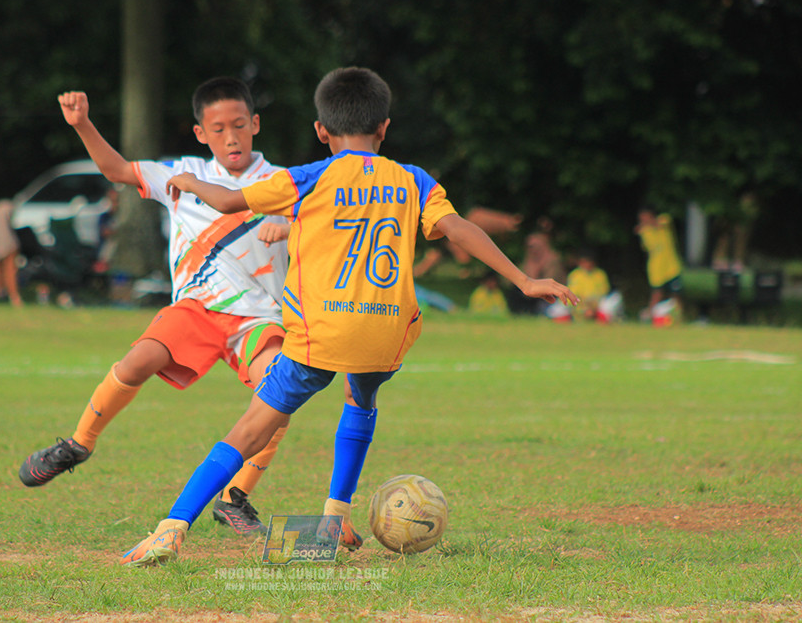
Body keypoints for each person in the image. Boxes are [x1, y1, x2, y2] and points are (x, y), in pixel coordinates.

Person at [121, 66, 577, 566]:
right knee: (360, 397)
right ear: (384, 127)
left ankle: (172, 528)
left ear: (321, 131)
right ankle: (335, 517)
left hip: (321, 335)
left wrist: (189, 181)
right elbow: (458, 228)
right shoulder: (413, 180)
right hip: (385, 334)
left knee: (251, 428)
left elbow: (230, 200)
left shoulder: (308, 177)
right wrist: (525, 281)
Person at [18, 78, 313, 536]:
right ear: (201, 133)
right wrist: (82, 124)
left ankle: (236, 497)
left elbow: (321, 228)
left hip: (258, 317)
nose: (230, 137)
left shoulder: (283, 183)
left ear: (255, 124)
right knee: (137, 360)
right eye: (218, 129)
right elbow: (116, 169)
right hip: (195, 308)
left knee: (279, 394)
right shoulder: (183, 170)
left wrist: (290, 228)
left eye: (239, 125)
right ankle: (79, 443)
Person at [635, 207, 683, 319]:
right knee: (656, 294)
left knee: (676, 294)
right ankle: (651, 316)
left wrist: (646, 225)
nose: (643, 220)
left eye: (645, 217)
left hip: (672, 267)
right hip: (656, 269)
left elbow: (660, 224)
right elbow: (648, 247)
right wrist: (644, 228)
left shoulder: (664, 219)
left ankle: (678, 317)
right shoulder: (645, 232)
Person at [507, 230, 567, 315]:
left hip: (551, 297)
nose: (532, 249)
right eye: (529, 247)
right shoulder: (529, 259)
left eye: (534, 246)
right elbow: (516, 280)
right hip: (531, 296)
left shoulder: (552, 260)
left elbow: (550, 281)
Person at [564, 249, 622, 322]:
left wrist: (594, 306)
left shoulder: (600, 274)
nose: (586, 264)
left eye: (588, 261)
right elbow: (572, 294)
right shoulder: (575, 275)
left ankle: (603, 318)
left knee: (616, 297)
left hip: (597, 304)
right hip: (580, 305)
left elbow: (604, 292)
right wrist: (584, 307)